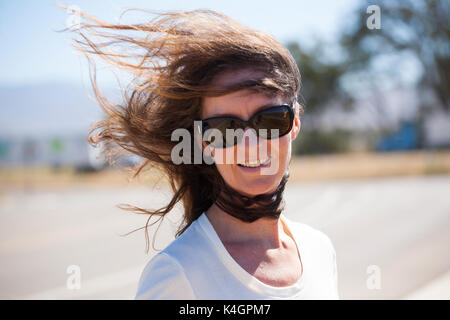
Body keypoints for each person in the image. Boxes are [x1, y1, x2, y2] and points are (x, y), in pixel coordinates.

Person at [71, 8, 338, 300]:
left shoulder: (319, 250)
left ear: (295, 123)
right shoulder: (178, 273)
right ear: (203, 142)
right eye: (224, 128)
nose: (249, 144)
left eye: (271, 119)